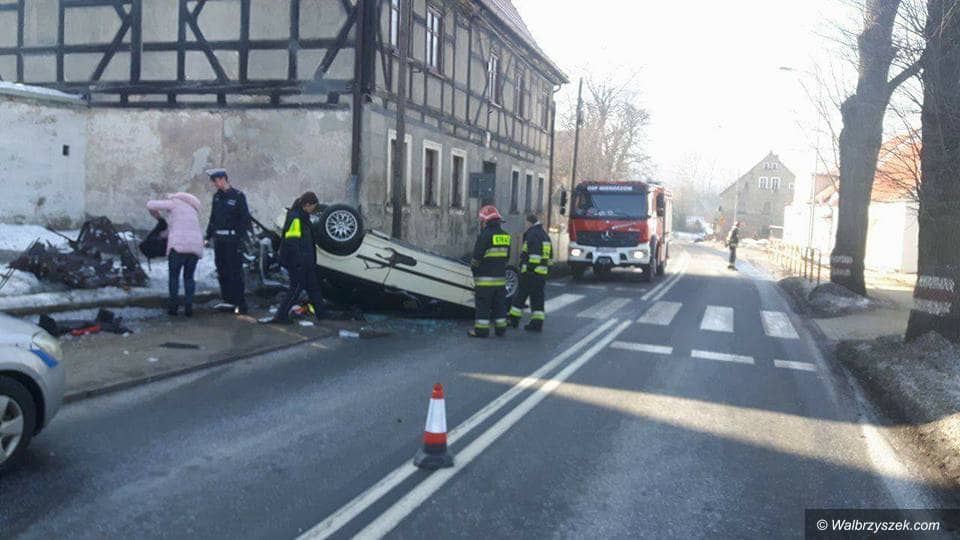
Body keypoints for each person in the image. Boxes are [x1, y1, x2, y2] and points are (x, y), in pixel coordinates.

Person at [267, 191, 326, 324]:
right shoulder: (296, 218)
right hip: (298, 262)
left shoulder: (303, 217)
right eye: (313, 206)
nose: (313, 209)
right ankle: (280, 316)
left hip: (306, 261)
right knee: (296, 288)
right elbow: (291, 242)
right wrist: (298, 262)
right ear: (307, 205)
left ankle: (322, 314)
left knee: (313, 287)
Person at [147, 193, 205, 317]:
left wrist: (158, 218)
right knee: (189, 277)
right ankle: (189, 308)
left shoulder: (174, 202)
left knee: (174, 277)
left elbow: (150, 205)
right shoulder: (193, 209)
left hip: (178, 247)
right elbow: (176, 228)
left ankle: (173, 308)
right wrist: (164, 234)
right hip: (195, 247)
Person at [205, 168, 252, 314]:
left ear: (223, 179)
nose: (215, 184)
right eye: (213, 181)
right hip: (219, 239)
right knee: (222, 270)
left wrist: (240, 238)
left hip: (233, 239)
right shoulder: (217, 197)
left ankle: (240, 303)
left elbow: (244, 218)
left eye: (216, 181)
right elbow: (213, 218)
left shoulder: (237, 196)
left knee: (235, 271)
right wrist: (208, 235)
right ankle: (228, 301)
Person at [469, 205, 511, 338]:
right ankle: (501, 329)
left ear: (485, 221)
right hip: (500, 280)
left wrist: (474, 269)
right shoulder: (506, 236)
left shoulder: (484, 236)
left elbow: (476, 258)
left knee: (483, 306)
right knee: (499, 305)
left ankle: (481, 331)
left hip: (485, 281)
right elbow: (507, 258)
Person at [508, 214, 553, 332]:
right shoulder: (544, 235)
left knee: (520, 296)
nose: (524, 226)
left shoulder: (532, 234)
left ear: (529, 223)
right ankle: (537, 323)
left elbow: (534, 256)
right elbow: (550, 257)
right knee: (537, 299)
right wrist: (546, 270)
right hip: (541, 274)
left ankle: (513, 319)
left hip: (531, 273)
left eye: (525, 223)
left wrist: (529, 269)